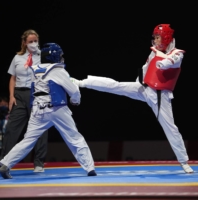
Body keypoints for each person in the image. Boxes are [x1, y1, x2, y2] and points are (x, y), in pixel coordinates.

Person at [71, 24, 193, 173]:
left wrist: (162, 61)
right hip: (143, 88)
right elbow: (145, 69)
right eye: (154, 37)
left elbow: (170, 62)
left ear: (166, 38)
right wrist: (138, 83)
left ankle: (183, 161)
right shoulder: (154, 52)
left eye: (157, 37)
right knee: (116, 86)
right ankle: (81, 82)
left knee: (170, 128)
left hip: (159, 95)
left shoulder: (177, 53)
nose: (154, 40)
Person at [0, 43, 97, 179]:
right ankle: (90, 168)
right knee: (74, 137)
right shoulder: (58, 70)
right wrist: (76, 100)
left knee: (28, 140)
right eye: (60, 55)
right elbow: (73, 90)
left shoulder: (34, 70)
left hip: (38, 110)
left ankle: (5, 163)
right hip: (57, 108)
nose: (62, 57)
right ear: (55, 56)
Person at [0, 30, 48, 172]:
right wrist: (11, 96)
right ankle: (3, 160)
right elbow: (12, 78)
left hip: (37, 93)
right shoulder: (17, 58)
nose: (33, 43)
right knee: (11, 128)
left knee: (39, 128)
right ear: (24, 43)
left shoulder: (43, 56)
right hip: (19, 95)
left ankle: (39, 163)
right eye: (30, 41)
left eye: (35, 41)